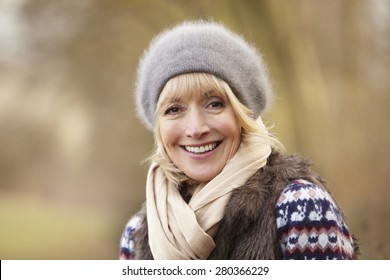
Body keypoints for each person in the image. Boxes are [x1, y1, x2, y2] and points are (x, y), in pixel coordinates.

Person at [120, 20, 359, 260]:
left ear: (243, 115)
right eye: (174, 109)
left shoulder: (300, 208)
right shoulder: (137, 234)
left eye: (215, 104)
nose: (195, 129)